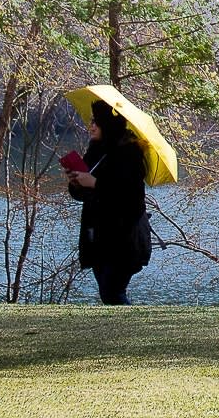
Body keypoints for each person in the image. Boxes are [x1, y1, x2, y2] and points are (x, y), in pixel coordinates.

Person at [65, 99, 150, 305]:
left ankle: (132, 330)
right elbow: (84, 195)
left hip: (125, 237)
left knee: (113, 291)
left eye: (97, 122)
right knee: (107, 292)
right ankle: (124, 332)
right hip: (99, 237)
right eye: (91, 121)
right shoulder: (96, 150)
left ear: (108, 125)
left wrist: (95, 183)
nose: (91, 126)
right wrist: (76, 182)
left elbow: (132, 198)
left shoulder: (130, 153)